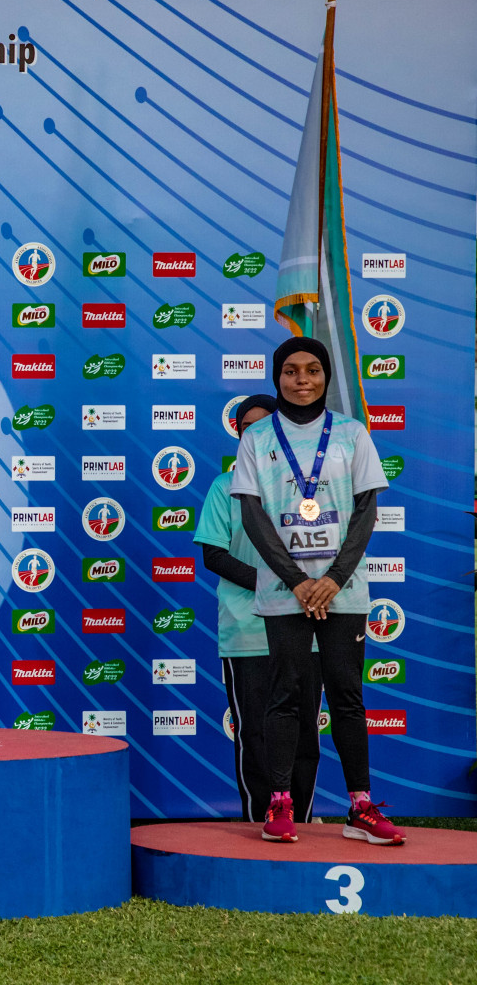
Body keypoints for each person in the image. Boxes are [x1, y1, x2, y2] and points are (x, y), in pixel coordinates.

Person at [231, 337, 404, 845]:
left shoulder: (352, 434)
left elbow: (366, 510)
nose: (301, 379)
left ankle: (360, 807)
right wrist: (298, 580)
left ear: (326, 377)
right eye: (290, 371)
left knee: (347, 697)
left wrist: (331, 579)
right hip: (286, 591)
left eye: (312, 370)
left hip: (342, 592)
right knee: (284, 694)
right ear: (276, 377)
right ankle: (280, 804)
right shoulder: (257, 438)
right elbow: (253, 514)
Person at [194, 394, 321, 824]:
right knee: (256, 733)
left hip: (308, 628)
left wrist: (305, 590)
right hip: (247, 632)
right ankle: (260, 820)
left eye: (263, 425)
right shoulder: (222, 486)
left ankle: (299, 819)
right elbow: (213, 554)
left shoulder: (311, 486)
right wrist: (282, 585)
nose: (254, 434)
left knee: (304, 731)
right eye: (246, 427)